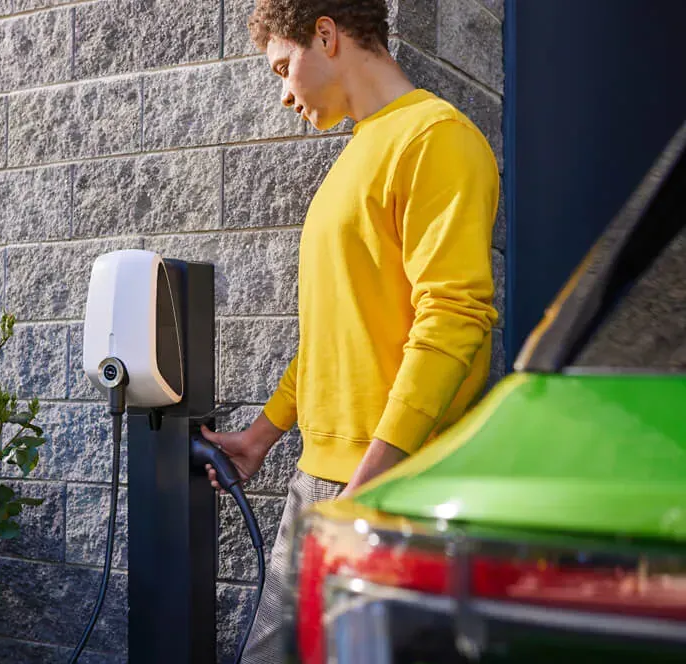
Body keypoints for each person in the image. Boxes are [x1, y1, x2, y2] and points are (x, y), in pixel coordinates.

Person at [202, 0, 500, 660]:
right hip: (324, 479)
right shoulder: (357, 156)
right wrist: (263, 435)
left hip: (393, 487)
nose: (283, 94)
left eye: (284, 67)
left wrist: (370, 484)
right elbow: (332, 331)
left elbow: (455, 318)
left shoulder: (434, 138)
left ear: (326, 36)